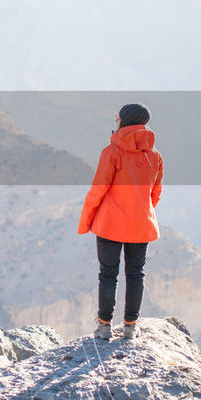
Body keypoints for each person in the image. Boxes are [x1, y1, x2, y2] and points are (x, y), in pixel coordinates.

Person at [77, 103, 163, 340]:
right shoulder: (155, 157)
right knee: (136, 275)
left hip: (110, 224)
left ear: (122, 121)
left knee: (108, 274)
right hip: (141, 225)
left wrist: (86, 220)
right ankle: (130, 327)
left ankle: (104, 327)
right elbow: (155, 194)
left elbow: (98, 190)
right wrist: (139, 212)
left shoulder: (112, 152)